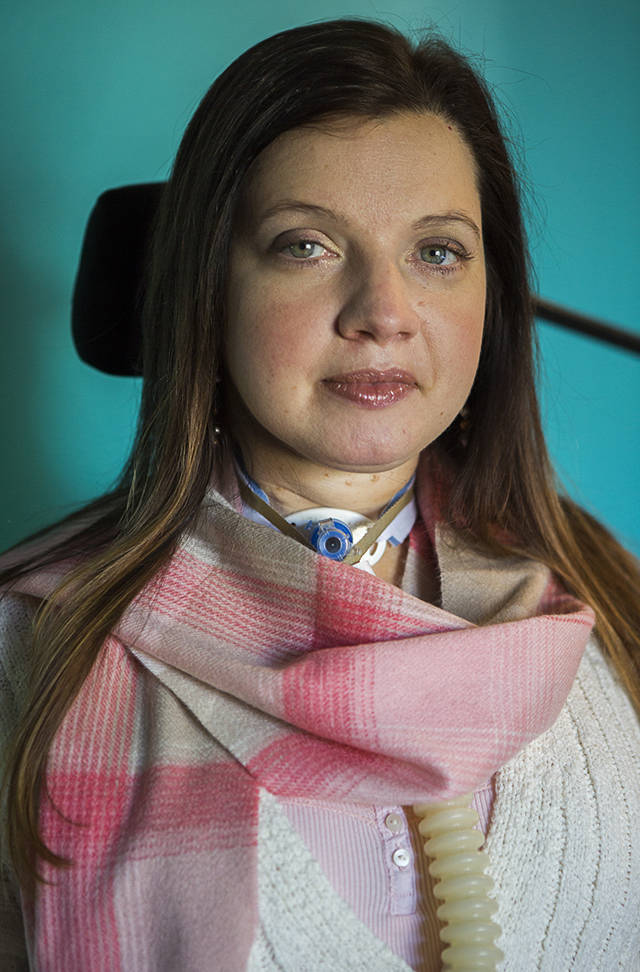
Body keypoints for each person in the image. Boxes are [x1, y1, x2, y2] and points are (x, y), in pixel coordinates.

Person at [1, 18, 639, 972]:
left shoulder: (610, 599)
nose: (383, 312)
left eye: (437, 252)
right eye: (305, 245)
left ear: (490, 297)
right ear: (205, 290)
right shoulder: (31, 647)